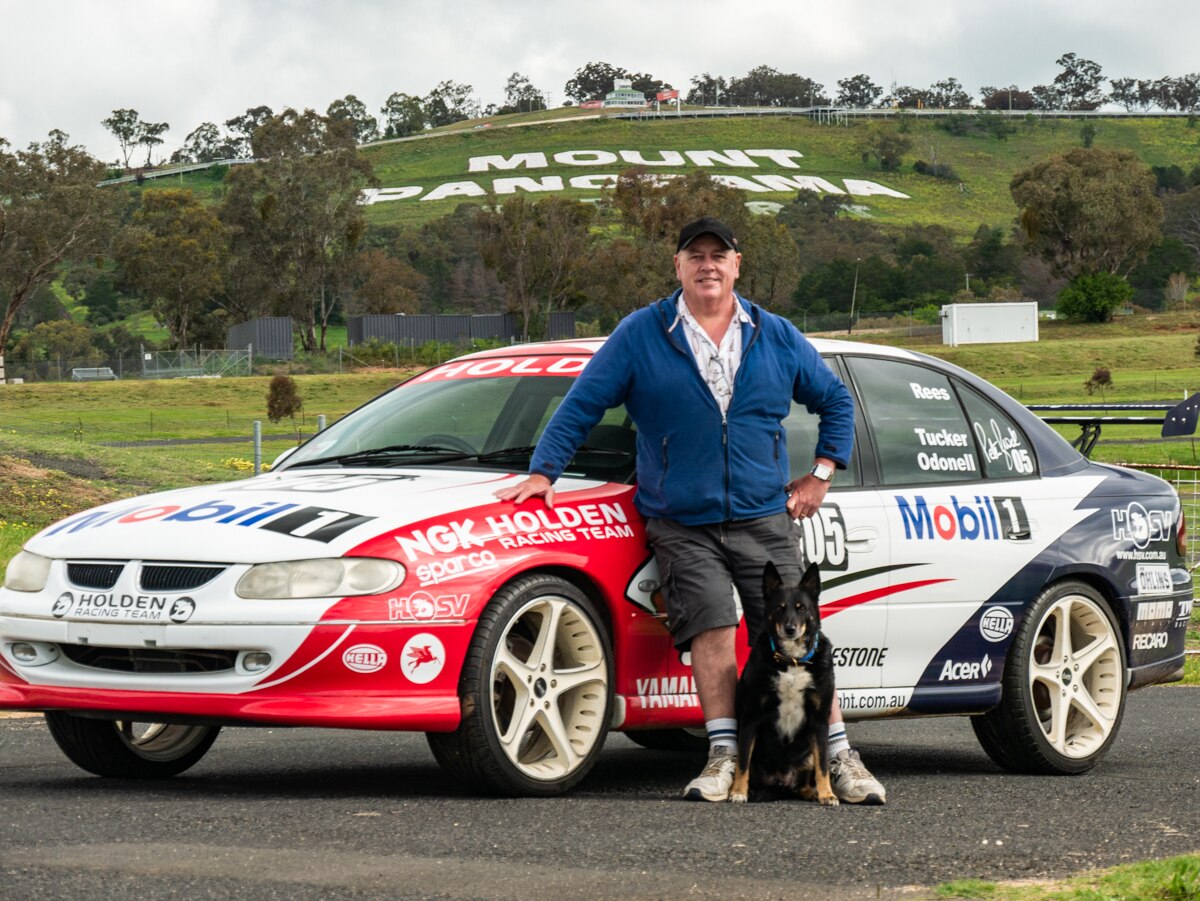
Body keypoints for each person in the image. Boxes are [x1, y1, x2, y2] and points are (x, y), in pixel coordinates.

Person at [495, 216, 886, 805]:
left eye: (718, 255)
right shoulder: (640, 334)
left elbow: (834, 399)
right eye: (695, 254)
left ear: (736, 265)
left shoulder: (774, 334)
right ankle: (725, 757)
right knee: (711, 627)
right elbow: (581, 404)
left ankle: (839, 756)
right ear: (677, 266)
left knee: (800, 635)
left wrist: (823, 472)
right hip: (681, 520)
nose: (707, 265)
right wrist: (544, 472)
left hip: (762, 513)